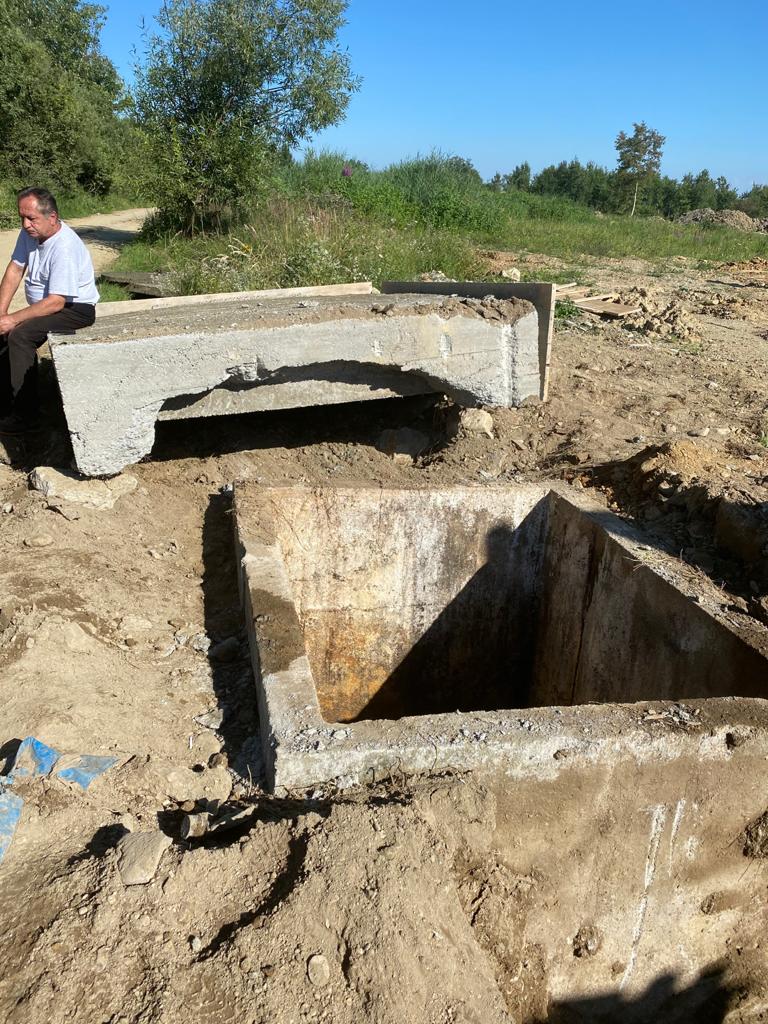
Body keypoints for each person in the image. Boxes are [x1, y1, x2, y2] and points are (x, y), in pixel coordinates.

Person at [0, 187, 99, 434]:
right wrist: (1, 314)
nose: (25, 224)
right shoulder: (31, 233)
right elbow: (15, 269)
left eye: (31, 218)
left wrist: (12, 320)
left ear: (52, 217)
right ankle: (6, 403)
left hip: (74, 309)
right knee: (3, 332)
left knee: (20, 336)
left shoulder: (64, 246)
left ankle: (26, 417)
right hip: (49, 305)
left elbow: (57, 302)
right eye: (22, 217)